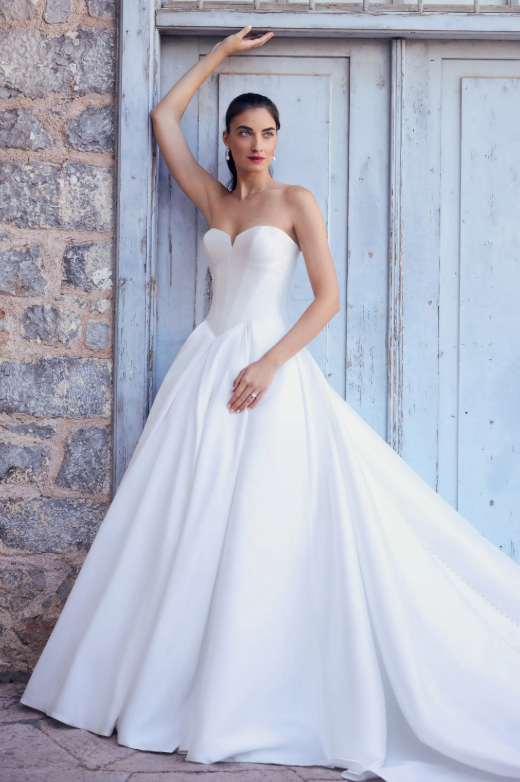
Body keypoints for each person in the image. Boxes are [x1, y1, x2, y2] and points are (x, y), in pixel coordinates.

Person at [20, 25, 520, 782]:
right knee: (185, 521)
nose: (260, 143)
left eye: (270, 133)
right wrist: (220, 55)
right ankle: (169, 682)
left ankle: (252, 692)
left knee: (266, 524)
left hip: (266, 372)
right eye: (247, 131)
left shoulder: (295, 201)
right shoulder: (215, 202)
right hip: (205, 373)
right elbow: (161, 119)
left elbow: (328, 300)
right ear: (227, 138)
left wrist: (269, 362)